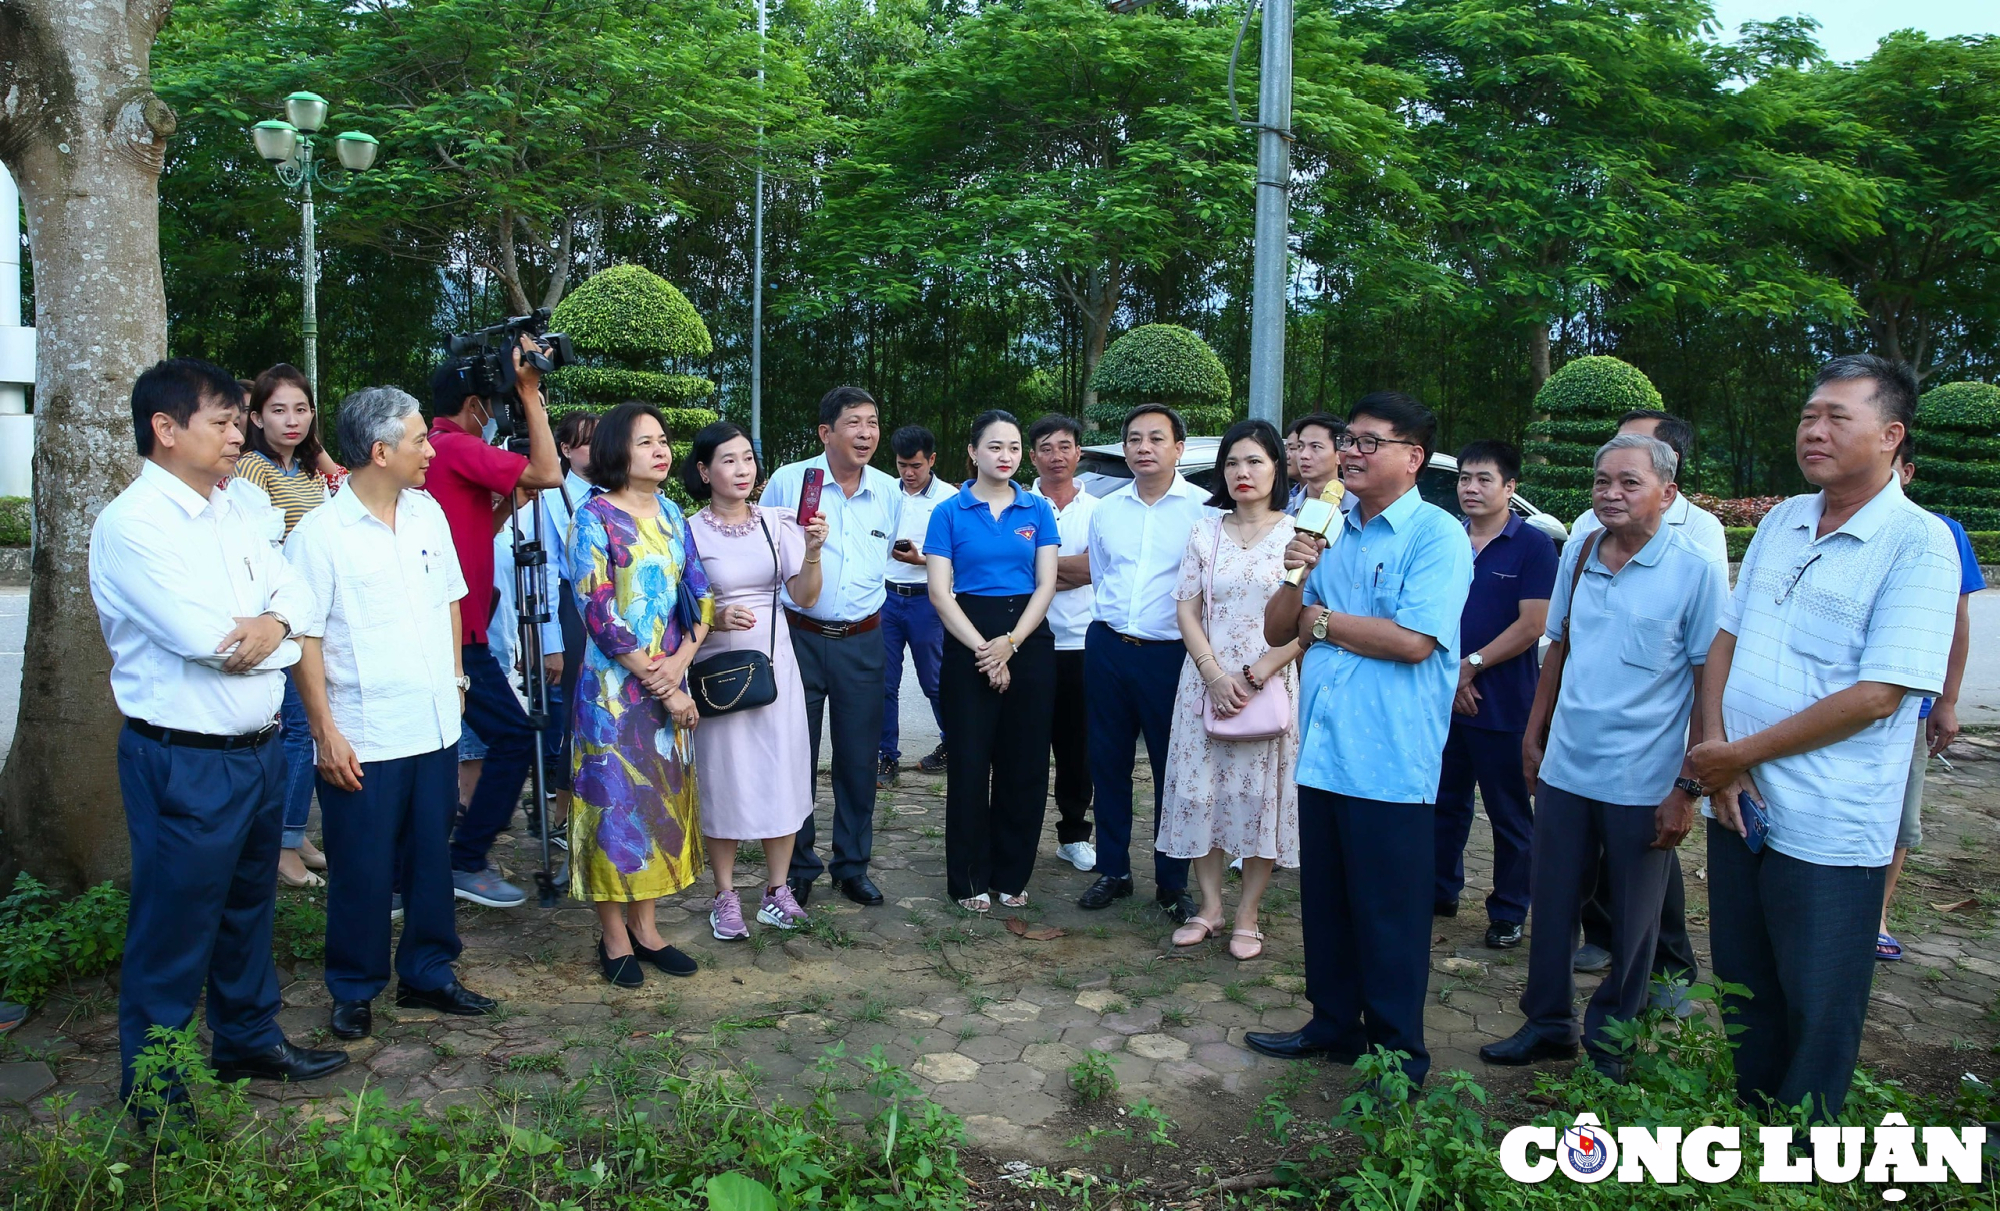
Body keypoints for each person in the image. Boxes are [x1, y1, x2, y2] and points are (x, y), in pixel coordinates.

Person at [1688, 354, 1959, 1121]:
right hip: (1740, 801)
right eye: (1810, 414)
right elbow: (1727, 639)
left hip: (1830, 823)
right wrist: (1720, 759)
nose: (1814, 429)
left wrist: (1735, 755)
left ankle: (1807, 1144)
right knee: (1745, 975)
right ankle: (1753, 1111)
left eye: (1838, 417)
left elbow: (1878, 695)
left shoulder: (1919, 542)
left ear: (1891, 434)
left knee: (1819, 995)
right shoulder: (1783, 518)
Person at [90, 359, 347, 1104]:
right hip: (183, 758)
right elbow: (208, 640)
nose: (240, 434)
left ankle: (246, 1039)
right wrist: (277, 633)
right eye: (224, 421)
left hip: (259, 749)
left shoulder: (237, 506)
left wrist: (274, 625)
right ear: (165, 429)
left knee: (246, 909)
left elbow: (294, 590)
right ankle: (157, 1086)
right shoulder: (132, 527)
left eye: (240, 420)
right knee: (173, 929)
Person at [1244, 392, 1473, 1086]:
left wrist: (1321, 619)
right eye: (1349, 438)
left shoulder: (1436, 535)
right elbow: (1277, 627)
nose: (1351, 452)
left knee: (1390, 914)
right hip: (1325, 747)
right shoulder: (1328, 523)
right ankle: (1334, 1025)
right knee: (1330, 904)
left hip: (1391, 754)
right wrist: (1297, 568)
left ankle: (1400, 1051)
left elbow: (1411, 640)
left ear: (1414, 457)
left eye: (1370, 442)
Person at [1479, 435, 1724, 1079]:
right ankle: (1548, 1023)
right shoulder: (1582, 551)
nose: (1610, 494)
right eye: (1601, 481)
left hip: (1644, 777)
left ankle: (1614, 1038)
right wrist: (1535, 737)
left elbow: (1706, 680)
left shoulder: (1695, 570)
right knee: (1553, 900)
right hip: (1567, 765)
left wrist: (1687, 784)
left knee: (1636, 917)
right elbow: (1555, 649)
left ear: (1667, 494)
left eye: (1629, 483)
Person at [286, 387, 498, 1041]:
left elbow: (451, 598)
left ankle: (429, 972)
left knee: (430, 858)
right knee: (362, 868)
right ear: (380, 452)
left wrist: (458, 682)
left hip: (433, 723)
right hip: (363, 734)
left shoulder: (428, 512)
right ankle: (354, 987)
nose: (430, 449)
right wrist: (324, 731)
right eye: (418, 439)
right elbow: (307, 637)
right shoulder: (321, 535)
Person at [1568, 408, 1725, 985]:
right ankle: (1603, 940)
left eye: (1631, 466)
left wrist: (1697, 762)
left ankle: (1670, 968)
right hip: (1583, 745)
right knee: (1591, 863)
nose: (1614, 484)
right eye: (1606, 471)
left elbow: (1705, 656)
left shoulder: (1698, 536)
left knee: (1651, 865)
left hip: (1650, 747)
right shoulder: (1588, 536)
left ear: (1668, 470)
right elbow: (1564, 640)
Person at [569, 402, 711, 986]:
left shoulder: (676, 513)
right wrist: (657, 680)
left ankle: (647, 929)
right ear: (615, 451)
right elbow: (596, 608)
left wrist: (678, 668)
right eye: (645, 441)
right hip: (611, 696)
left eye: (663, 440)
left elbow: (699, 596)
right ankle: (612, 937)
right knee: (614, 807)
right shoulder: (593, 516)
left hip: (667, 687)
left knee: (660, 804)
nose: (661, 449)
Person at [425, 341, 563, 908]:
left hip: (462, 628)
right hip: (460, 636)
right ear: (478, 405)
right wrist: (531, 394)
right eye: (494, 404)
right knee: (513, 735)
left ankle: (424, 866)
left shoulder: (438, 450)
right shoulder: (455, 446)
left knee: (438, 748)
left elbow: (474, 532)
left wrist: (508, 499)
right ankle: (466, 858)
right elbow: (551, 473)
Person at [1158, 420, 1301, 960]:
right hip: (1204, 681)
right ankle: (1210, 907)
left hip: (1270, 680)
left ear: (1277, 470)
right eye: (1233, 463)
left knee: (1260, 799)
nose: (1243, 473)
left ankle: (1248, 915)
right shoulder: (1205, 531)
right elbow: (1186, 608)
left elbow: (1311, 620)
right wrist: (1213, 674)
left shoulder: (1300, 536)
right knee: (1201, 794)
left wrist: (1261, 669)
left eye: (1256, 462)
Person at [684, 422, 830, 938]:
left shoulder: (777, 523)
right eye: (728, 460)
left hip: (774, 665)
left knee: (781, 771)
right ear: (704, 471)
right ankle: (724, 894)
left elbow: (806, 596)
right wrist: (715, 619)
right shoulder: (687, 530)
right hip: (715, 668)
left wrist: (812, 549)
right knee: (725, 776)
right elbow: (677, 607)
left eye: (748, 458)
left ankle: (777, 889)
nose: (742, 469)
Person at [760, 386, 902, 908]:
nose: (866, 433)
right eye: (853, 423)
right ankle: (798, 866)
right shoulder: (790, 481)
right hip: (798, 636)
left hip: (864, 641)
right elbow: (769, 553)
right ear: (826, 432)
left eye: (873, 422)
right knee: (797, 755)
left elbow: (883, 555)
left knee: (859, 760)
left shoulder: (888, 490)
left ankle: (852, 866)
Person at [1078, 405, 1211, 922]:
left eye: (1156, 438)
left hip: (1171, 656)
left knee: (1170, 769)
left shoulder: (1203, 511)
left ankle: (1172, 881)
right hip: (1109, 647)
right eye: (1134, 439)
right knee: (1107, 763)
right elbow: (1103, 571)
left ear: (1179, 448)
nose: (1143, 448)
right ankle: (1113, 869)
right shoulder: (1106, 510)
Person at [925, 410, 1060, 911]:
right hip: (968, 636)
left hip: (1027, 635)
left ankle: (1011, 874)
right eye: (995, 447)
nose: (1006, 457)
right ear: (973, 452)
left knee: (1024, 763)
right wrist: (986, 648)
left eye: (1014, 448)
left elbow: (1046, 583)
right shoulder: (949, 511)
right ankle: (968, 880)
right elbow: (940, 592)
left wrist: (1012, 644)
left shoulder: (1037, 508)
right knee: (969, 762)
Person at [1433, 441, 1556, 949]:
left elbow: (1533, 625)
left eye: (1484, 479)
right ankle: (1439, 891)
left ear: (1510, 488)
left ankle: (1508, 910)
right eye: (1464, 478)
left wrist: (1472, 667)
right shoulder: (1446, 540)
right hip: (1444, 696)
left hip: (1504, 703)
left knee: (1509, 812)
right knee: (1443, 802)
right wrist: (1452, 675)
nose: (1470, 487)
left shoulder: (1533, 546)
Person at [1878, 444, 1983, 960]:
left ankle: (1876, 915)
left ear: (1907, 472)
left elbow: (1955, 627)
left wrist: (1947, 699)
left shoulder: (1941, 533)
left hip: (1907, 710)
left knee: (1900, 817)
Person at [235, 363, 337, 889]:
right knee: (298, 731)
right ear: (256, 417)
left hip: (312, 615)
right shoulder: (253, 469)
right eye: (277, 410)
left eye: (301, 409)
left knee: (309, 730)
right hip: (283, 618)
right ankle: (282, 845)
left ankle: (294, 834)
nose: (291, 420)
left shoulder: (305, 471)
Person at [1029, 413, 1098, 872]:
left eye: (1066, 446)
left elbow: (1101, 568)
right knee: (1024, 749)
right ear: (1031, 456)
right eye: (1047, 448)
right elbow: (1005, 570)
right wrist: (1063, 570)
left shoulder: (1100, 510)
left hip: (1084, 644)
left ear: (1079, 453)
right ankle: (1018, 837)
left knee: (1078, 752)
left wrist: (1041, 571)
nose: (1057, 456)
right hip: (1027, 643)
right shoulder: (1014, 504)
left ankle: (1074, 835)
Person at [880, 424, 952, 786]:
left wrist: (921, 560)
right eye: (901, 465)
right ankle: (886, 756)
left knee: (935, 681)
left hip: (928, 600)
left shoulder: (949, 500)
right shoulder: (883, 493)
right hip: (886, 598)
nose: (908, 473)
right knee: (884, 682)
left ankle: (953, 743)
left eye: (916, 466)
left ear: (932, 461)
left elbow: (962, 556)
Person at [1284, 413, 1345, 516]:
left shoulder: (1362, 509)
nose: (1304, 455)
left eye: (1316, 447)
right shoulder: (1284, 513)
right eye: (1300, 446)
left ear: (1339, 455)